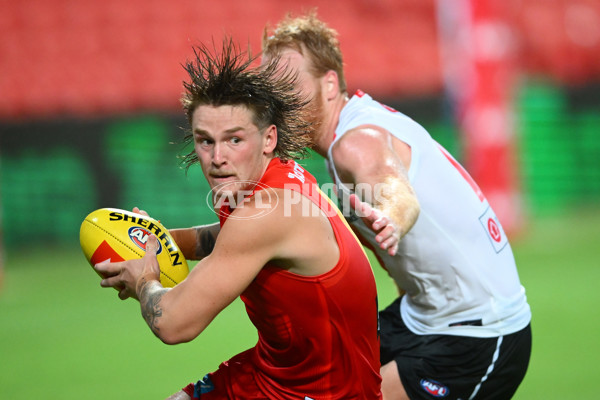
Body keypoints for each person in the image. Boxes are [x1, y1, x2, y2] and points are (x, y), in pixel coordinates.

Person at [261, 11, 532, 400]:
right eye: (270, 90)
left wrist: (391, 215)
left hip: (480, 333)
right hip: (421, 316)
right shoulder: (350, 133)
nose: (278, 100)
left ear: (330, 83)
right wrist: (177, 242)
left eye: (289, 84)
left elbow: (395, 189)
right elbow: (273, 229)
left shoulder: (355, 140)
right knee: (308, 376)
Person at [94, 39, 382, 400]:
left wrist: (145, 280)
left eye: (234, 139)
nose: (217, 157)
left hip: (324, 393)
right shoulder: (267, 179)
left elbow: (174, 323)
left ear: (268, 138)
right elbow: (230, 238)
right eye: (205, 141)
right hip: (275, 371)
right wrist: (162, 240)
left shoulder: (268, 211)